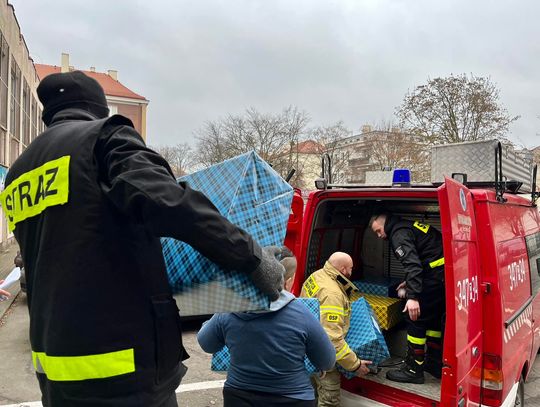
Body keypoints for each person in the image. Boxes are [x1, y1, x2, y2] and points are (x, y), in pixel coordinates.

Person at [0, 71, 285, 407]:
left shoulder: (17, 173)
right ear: (99, 109)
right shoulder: (103, 138)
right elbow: (171, 204)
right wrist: (253, 258)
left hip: (55, 366)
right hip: (122, 366)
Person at [197, 249, 336, 407]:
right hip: (293, 398)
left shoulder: (228, 311)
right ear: (285, 281)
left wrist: (210, 322)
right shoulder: (301, 313)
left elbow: (206, 344)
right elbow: (327, 361)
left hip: (239, 396)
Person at [370, 213, 445, 384]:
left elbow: (413, 265)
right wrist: (408, 282)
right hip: (440, 279)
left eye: (378, 231)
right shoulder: (407, 226)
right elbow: (422, 260)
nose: (380, 236)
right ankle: (434, 364)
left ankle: (413, 369)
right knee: (432, 322)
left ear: (385, 223)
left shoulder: (398, 234)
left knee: (415, 319)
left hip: (433, 280)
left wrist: (412, 296)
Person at [300, 252, 372, 407]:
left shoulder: (317, 275)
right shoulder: (332, 293)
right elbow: (332, 340)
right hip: (323, 357)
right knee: (329, 401)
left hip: (307, 349)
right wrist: (355, 364)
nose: (352, 272)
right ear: (343, 269)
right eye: (351, 268)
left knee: (311, 395)